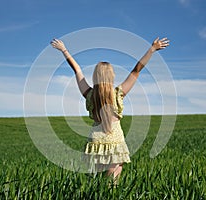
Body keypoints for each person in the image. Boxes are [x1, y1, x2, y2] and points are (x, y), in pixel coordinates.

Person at [51, 36, 169, 184]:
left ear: (95, 76)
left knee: (95, 184)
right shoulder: (118, 94)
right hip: (115, 142)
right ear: (111, 76)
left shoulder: (90, 95)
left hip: (95, 142)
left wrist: (64, 50)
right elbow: (136, 70)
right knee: (112, 186)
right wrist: (151, 50)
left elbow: (77, 70)